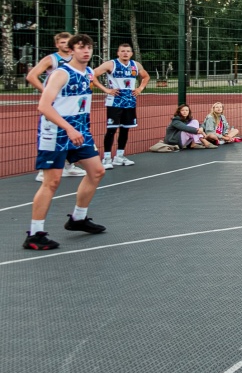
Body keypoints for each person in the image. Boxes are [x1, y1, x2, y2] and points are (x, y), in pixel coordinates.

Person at [24, 32, 106, 251]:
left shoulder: (89, 73)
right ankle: (34, 234)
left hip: (79, 131)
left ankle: (78, 218)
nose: (86, 51)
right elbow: (44, 106)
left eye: (88, 47)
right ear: (70, 50)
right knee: (52, 182)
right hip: (56, 133)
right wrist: (68, 128)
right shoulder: (61, 73)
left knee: (97, 171)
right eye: (80, 47)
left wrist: (78, 128)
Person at [29, 31, 86, 182]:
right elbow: (31, 76)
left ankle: (68, 165)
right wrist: (45, 91)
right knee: (51, 133)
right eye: (62, 42)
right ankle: (44, 170)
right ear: (57, 44)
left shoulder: (76, 59)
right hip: (54, 103)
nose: (65, 45)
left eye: (68, 42)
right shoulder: (52, 59)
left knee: (71, 131)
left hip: (70, 103)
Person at [93, 41, 150, 168]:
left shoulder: (135, 65)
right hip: (115, 101)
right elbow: (92, 75)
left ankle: (119, 156)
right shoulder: (111, 64)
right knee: (112, 129)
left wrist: (140, 89)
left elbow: (146, 77)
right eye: (122, 51)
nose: (125, 53)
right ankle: (107, 158)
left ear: (131, 53)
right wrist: (106, 90)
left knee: (125, 129)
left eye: (128, 51)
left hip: (130, 101)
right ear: (118, 53)